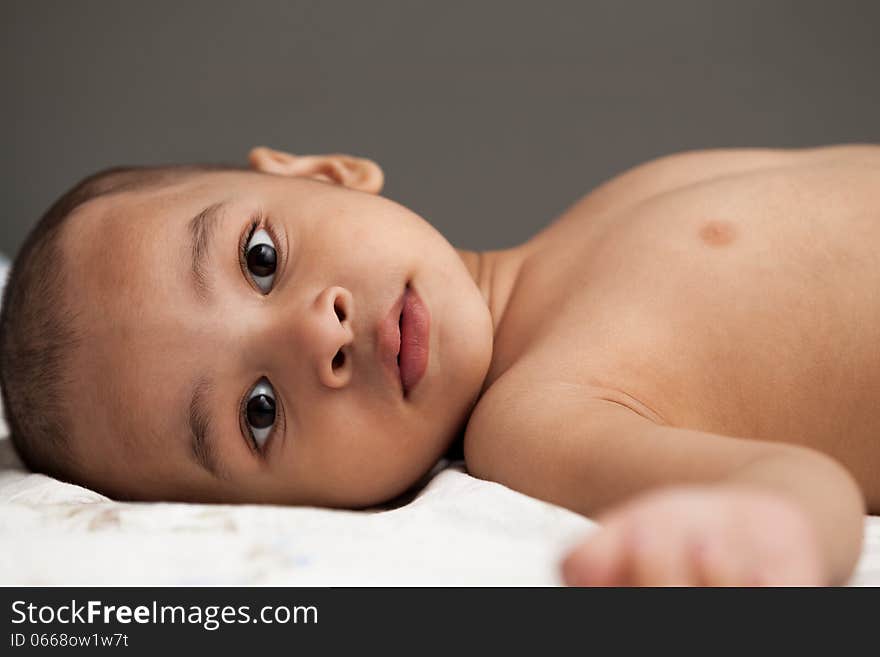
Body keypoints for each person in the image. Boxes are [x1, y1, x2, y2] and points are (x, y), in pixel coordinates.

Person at [2, 144, 875, 586]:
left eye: (259, 257)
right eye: (258, 411)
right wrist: (754, 538)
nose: (319, 333)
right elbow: (801, 490)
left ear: (328, 171)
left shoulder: (598, 214)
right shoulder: (537, 415)